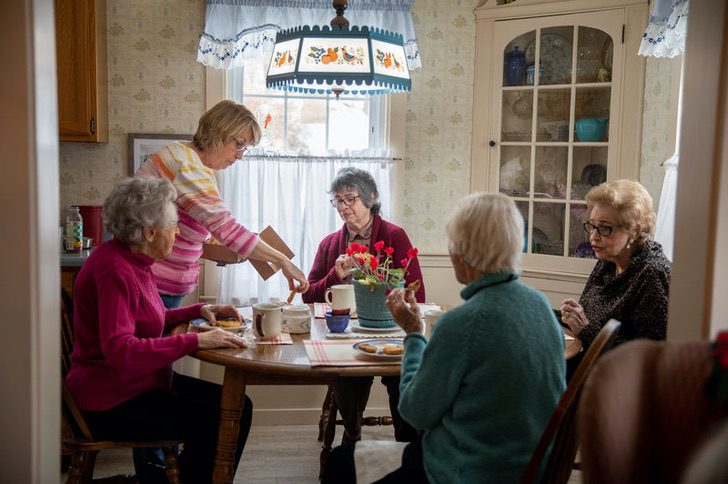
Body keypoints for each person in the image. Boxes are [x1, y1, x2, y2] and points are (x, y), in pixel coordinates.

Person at [323, 192, 566, 483]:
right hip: (533, 470)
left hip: (467, 471)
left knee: (339, 462)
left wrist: (414, 334)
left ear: (462, 252)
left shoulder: (462, 323)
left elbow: (416, 413)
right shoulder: (541, 307)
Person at [65, 177, 253, 484]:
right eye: (174, 224)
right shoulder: (114, 270)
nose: (178, 232)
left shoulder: (131, 260)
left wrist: (197, 311)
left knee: (238, 406)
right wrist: (194, 340)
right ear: (151, 231)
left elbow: (144, 318)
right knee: (220, 418)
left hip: (137, 384)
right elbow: (121, 349)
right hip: (111, 400)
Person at [135, 99, 309, 309]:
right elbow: (225, 228)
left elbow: (193, 226)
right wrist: (283, 261)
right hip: (152, 284)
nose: (240, 155)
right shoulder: (188, 166)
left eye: (245, 148)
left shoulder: (181, 155)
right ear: (217, 132)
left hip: (152, 281)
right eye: (238, 144)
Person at [303, 167, 424, 444]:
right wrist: (337, 275)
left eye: (350, 199)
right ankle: (352, 434)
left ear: (370, 197)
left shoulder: (395, 236)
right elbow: (309, 296)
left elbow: (416, 292)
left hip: (390, 329)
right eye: (338, 201)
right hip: (346, 334)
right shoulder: (330, 244)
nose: (343, 207)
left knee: (402, 375)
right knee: (347, 376)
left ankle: (406, 443)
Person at [560, 179, 671, 352]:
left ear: (634, 230)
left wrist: (586, 329)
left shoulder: (652, 274)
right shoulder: (608, 260)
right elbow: (587, 318)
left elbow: (649, 354)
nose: (593, 237)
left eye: (604, 228)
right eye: (592, 225)